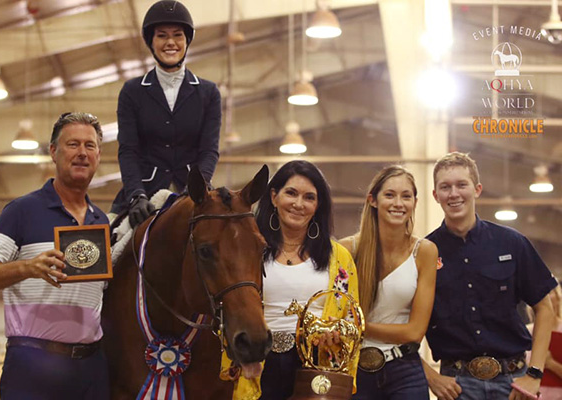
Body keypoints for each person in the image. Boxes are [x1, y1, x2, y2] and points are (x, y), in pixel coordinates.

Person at [0, 112, 109, 400]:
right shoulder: (21, 211)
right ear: (53, 152)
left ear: (98, 155)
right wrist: (27, 268)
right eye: (73, 144)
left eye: (89, 146)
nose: (82, 153)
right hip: (32, 366)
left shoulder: (101, 221)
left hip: (90, 370)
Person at [422, 152, 557, 400]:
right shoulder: (423, 253)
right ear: (435, 195)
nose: (454, 193)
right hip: (456, 388)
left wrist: (535, 373)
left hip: (513, 385)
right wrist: (430, 376)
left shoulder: (512, 243)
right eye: (445, 187)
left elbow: (544, 308)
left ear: (477, 189)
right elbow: (401, 322)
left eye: (461, 184)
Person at [222, 160, 360, 400]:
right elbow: (229, 307)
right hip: (257, 366)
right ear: (274, 197)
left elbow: (352, 318)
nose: (299, 204)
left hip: (316, 370)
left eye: (309, 197)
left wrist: (337, 335)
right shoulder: (248, 251)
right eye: (291, 193)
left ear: (318, 206)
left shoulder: (339, 258)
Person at [110, 0, 221, 228]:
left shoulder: (208, 92)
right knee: (111, 243)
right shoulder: (132, 91)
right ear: (151, 41)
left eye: (177, 35)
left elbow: (209, 150)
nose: (170, 42)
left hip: (192, 192)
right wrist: (136, 196)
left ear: (186, 41)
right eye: (162, 35)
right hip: (144, 194)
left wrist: (198, 186)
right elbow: (128, 151)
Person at [339, 165, 438, 399]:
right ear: (372, 200)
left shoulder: (424, 251)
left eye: (406, 196)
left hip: (405, 370)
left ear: (415, 202)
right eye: (390, 195)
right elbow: (337, 317)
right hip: (353, 370)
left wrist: (360, 326)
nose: (398, 203)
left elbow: (414, 332)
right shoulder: (346, 251)